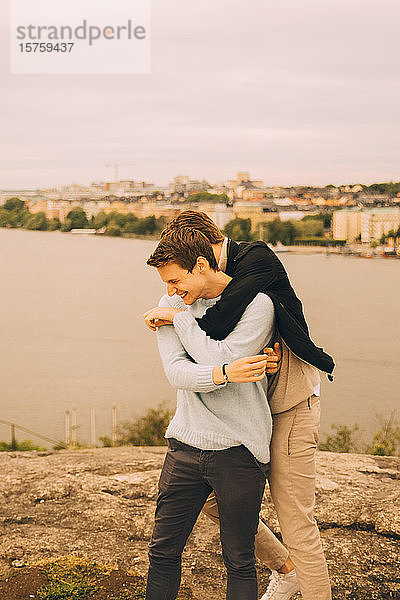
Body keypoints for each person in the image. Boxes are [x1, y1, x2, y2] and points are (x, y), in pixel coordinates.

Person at [159, 211, 334, 600]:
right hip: (245, 413)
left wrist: (176, 318)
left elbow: (219, 329)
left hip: (288, 406)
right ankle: (284, 570)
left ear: (205, 252)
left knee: (295, 522)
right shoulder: (194, 286)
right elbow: (200, 359)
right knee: (212, 501)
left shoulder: (255, 262)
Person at [143, 228, 279, 600]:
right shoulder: (170, 301)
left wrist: (181, 322)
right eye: (165, 284)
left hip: (239, 450)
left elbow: (217, 356)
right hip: (185, 446)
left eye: (175, 281)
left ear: (201, 265)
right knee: (162, 552)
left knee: (238, 559)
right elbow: (177, 373)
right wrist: (223, 375)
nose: (170, 292)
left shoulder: (258, 305)